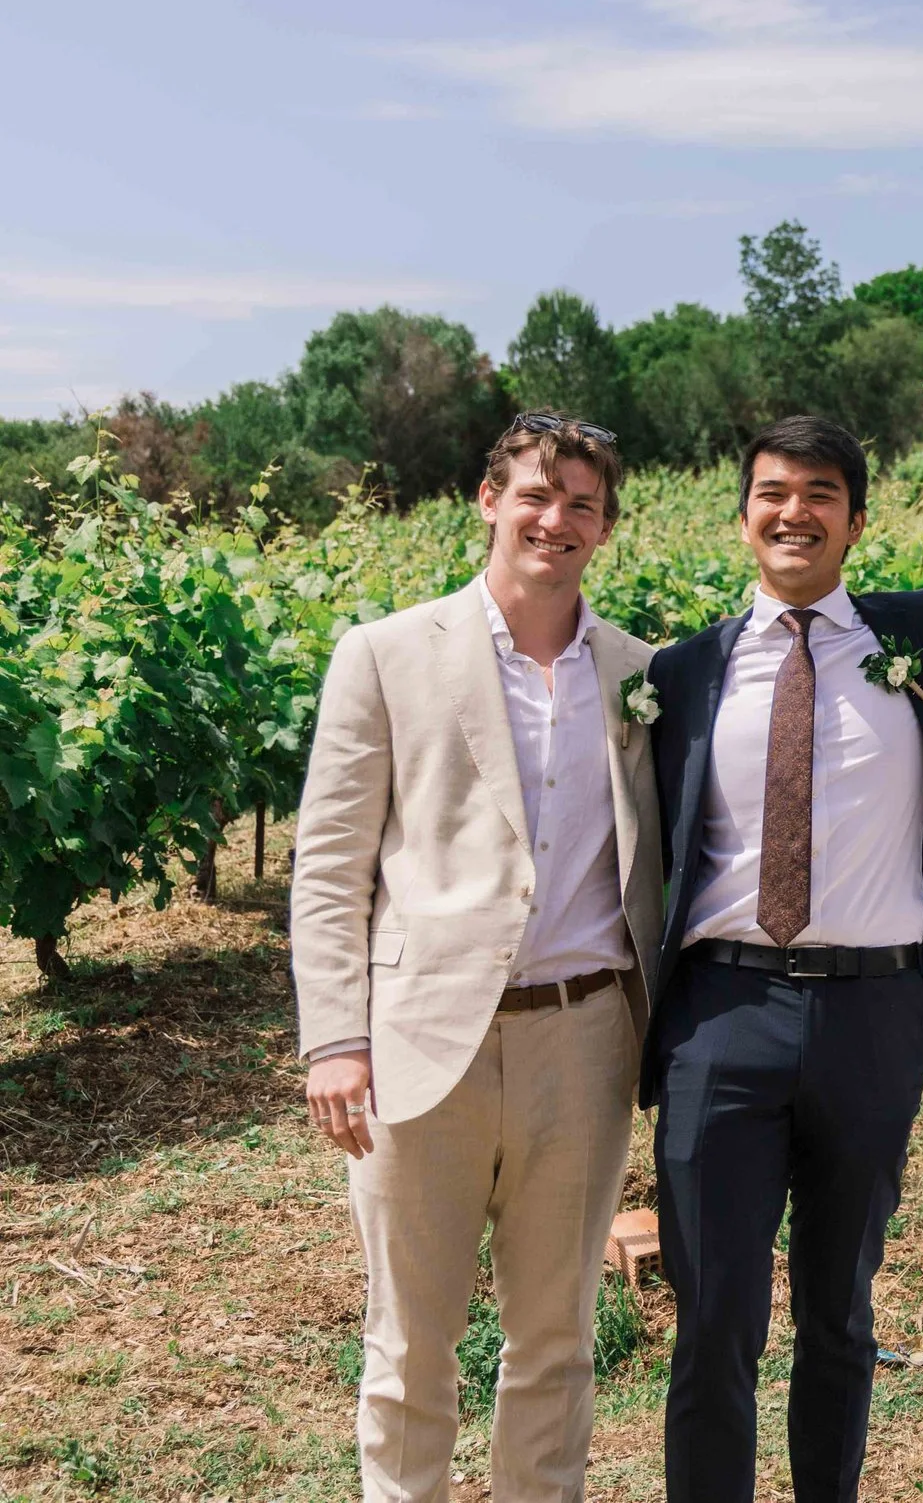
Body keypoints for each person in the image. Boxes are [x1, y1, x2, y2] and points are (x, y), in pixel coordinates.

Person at [639, 415, 923, 1503]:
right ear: (744, 512)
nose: (792, 511)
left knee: (840, 1309)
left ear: (856, 516)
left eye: (819, 492)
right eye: (771, 491)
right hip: (721, 1013)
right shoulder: (682, 671)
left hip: (873, 1014)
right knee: (713, 1315)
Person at [291, 413, 663, 1503]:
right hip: (419, 1042)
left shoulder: (643, 673)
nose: (558, 519)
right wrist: (336, 1040)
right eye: (537, 494)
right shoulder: (386, 653)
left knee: (556, 1338)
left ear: (606, 526)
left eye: (583, 503)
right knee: (411, 1342)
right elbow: (328, 866)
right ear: (489, 499)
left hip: (588, 1039)